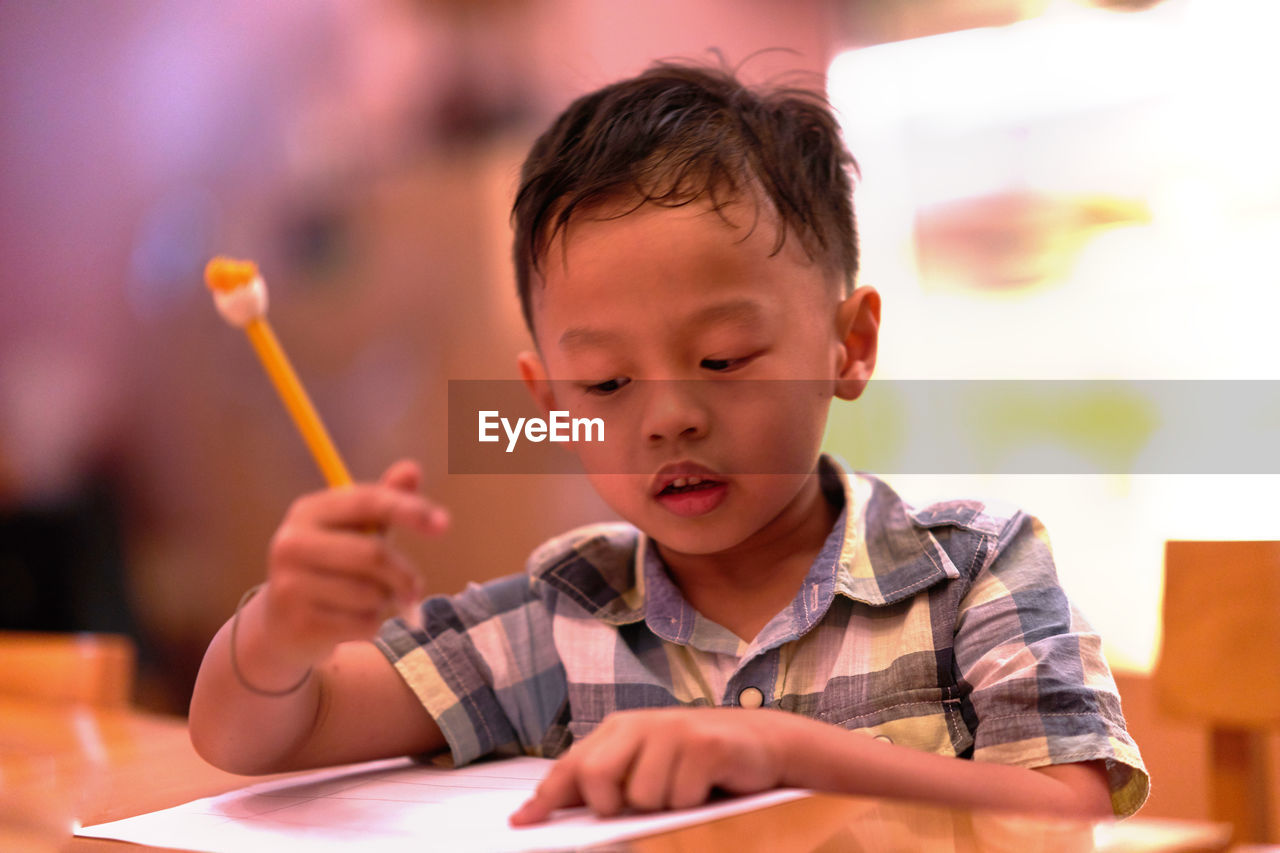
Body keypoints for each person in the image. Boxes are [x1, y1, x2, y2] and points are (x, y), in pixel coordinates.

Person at [189, 60, 1149, 824]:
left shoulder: (972, 570)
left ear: (847, 345)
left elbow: (1067, 809)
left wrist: (781, 754)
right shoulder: (559, 622)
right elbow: (261, 735)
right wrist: (281, 631)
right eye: (606, 383)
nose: (667, 417)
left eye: (724, 359)